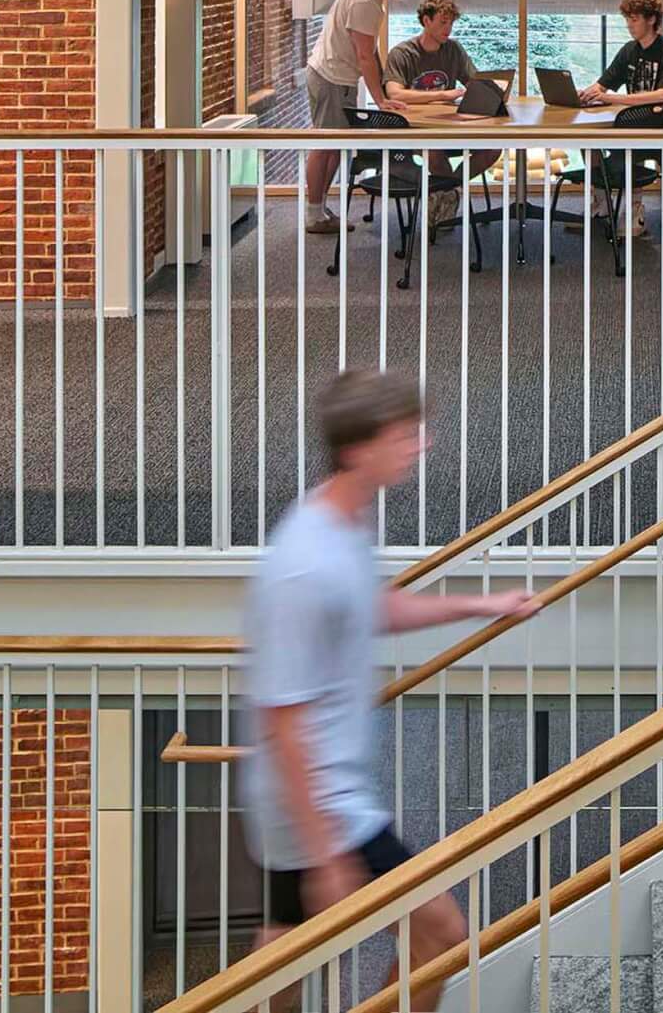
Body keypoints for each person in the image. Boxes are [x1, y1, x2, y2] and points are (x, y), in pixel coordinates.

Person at [242, 368, 541, 1009]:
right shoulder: (304, 563)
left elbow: (373, 610)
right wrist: (324, 852)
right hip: (319, 798)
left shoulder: (342, 522)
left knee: (282, 953)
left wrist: (483, 606)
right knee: (442, 932)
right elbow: (282, 718)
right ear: (358, 448)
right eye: (405, 434)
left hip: (313, 791)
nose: (421, 444)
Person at [303, 0, 420, 236]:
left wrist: (381, 84)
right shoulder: (365, 2)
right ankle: (313, 214)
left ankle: (318, 210)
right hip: (331, 77)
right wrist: (380, 100)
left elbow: (371, 50)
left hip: (339, 77)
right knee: (325, 145)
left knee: (336, 148)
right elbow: (364, 56)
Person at [577, 0, 663, 239]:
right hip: (637, 118)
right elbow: (604, 83)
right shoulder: (629, 50)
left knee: (630, 137)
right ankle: (602, 203)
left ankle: (634, 208)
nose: (629, 25)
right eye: (627, 19)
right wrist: (587, 93)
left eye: (634, 19)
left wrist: (615, 98)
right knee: (587, 140)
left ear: (651, 19)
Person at [385, 0, 500, 226]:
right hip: (415, 132)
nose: (448, 29)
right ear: (426, 21)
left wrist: (494, 90)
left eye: (450, 23)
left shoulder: (453, 50)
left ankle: (449, 190)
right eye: (442, 22)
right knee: (434, 151)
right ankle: (448, 192)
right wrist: (442, 94)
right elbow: (394, 93)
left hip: (449, 127)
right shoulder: (402, 53)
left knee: (492, 149)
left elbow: (474, 83)